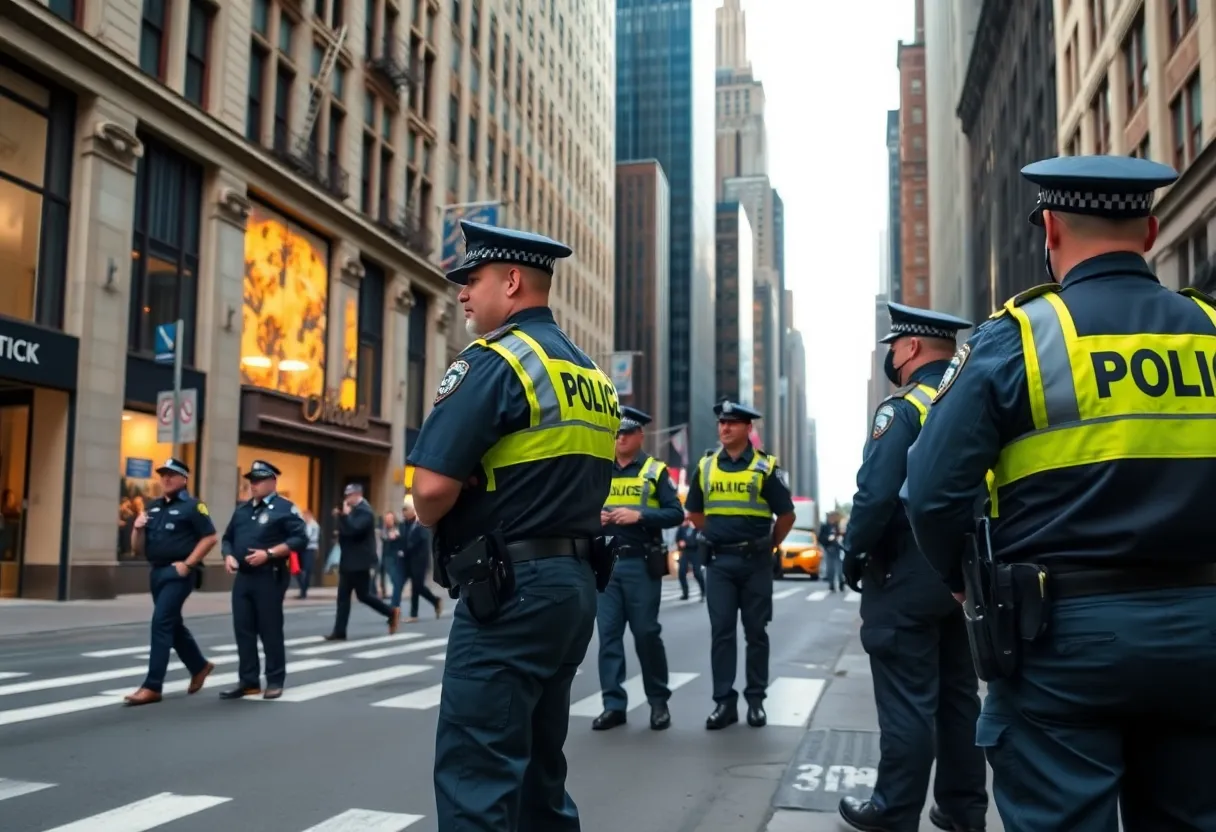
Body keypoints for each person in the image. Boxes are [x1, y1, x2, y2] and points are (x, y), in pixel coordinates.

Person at [903, 154, 1216, 831]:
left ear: (1049, 229)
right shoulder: (1210, 331)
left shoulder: (1021, 337)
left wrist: (961, 580)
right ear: (1152, 232)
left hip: (1063, 639)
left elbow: (929, 492)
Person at [406, 220, 620, 831]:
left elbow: (429, 491)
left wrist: (441, 497)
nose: (462, 293)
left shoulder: (494, 361)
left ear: (511, 281)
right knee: (538, 779)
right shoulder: (592, 376)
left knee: (476, 778)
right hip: (571, 587)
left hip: (510, 591)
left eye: (472, 279)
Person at [837, 302, 989, 832]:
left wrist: (854, 552)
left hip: (906, 569)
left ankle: (893, 810)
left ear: (912, 347)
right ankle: (963, 809)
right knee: (959, 698)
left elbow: (875, 493)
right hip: (967, 572)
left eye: (895, 347)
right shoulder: (973, 396)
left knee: (907, 698)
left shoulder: (903, 408)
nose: (893, 357)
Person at [684, 399, 796, 730]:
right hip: (719, 562)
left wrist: (770, 544)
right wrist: (718, 535)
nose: (725, 428)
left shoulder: (766, 467)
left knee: (756, 632)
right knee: (721, 632)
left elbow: (786, 515)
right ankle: (724, 702)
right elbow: (694, 513)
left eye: (732, 423)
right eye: (722, 422)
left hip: (756, 563)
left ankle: (756, 701)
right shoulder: (705, 466)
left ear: (748, 428)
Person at [592, 405, 685, 732]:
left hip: (640, 564)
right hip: (605, 563)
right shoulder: (599, 469)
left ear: (640, 435)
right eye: (616, 433)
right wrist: (593, 517)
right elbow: (578, 508)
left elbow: (676, 513)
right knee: (608, 637)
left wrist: (640, 516)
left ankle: (658, 702)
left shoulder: (654, 471)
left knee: (646, 633)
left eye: (627, 433)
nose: (620, 439)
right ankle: (613, 705)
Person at [123, 457, 217, 706]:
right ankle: (199, 666)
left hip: (178, 574)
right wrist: (137, 529)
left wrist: (188, 564)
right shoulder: (153, 507)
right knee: (171, 623)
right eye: (163, 474)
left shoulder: (194, 506)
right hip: (156, 572)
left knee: (161, 622)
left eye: (172, 474)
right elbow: (137, 549)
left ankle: (152, 686)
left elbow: (210, 537)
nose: (166, 478)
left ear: (183, 479)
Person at [218, 460, 309, 700]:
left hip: (270, 575)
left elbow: (300, 539)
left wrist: (269, 553)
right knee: (243, 629)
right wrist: (228, 556)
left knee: (270, 629)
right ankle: (248, 681)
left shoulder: (285, 508)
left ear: (272, 482)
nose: (253, 485)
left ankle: (275, 679)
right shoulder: (242, 510)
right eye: (252, 480)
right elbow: (227, 538)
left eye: (258, 480)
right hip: (244, 577)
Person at [324, 483, 400, 640]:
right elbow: (345, 531)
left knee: (363, 595)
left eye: (349, 495)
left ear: (357, 495)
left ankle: (391, 612)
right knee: (344, 597)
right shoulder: (354, 511)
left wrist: (344, 516)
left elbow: (354, 530)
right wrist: (342, 516)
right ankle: (339, 631)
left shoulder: (365, 511)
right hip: (348, 561)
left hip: (359, 562)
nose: (346, 498)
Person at [400, 495, 442, 621]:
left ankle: (433, 601)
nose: (404, 513)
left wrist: (408, 547)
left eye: (406, 510)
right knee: (415, 587)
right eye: (403, 511)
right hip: (408, 561)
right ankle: (416, 613)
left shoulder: (420, 524)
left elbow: (421, 541)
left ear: (413, 511)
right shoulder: (404, 525)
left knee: (417, 587)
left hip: (419, 561)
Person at [675, 518, 704, 600]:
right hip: (685, 552)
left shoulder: (696, 528)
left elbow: (699, 540)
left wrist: (687, 542)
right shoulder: (681, 528)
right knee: (681, 572)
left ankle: (703, 591)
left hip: (695, 552)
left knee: (697, 573)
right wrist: (680, 543)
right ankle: (685, 593)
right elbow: (677, 539)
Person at [818, 510, 844, 592]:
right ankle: (831, 584)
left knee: (840, 568)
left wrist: (840, 537)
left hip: (839, 549)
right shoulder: (825, 526)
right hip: (829, 549)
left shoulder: (838, 526)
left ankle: (841, 582)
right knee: (830, 568)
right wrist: (827, 540)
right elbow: (820, 538)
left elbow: (844, 535)